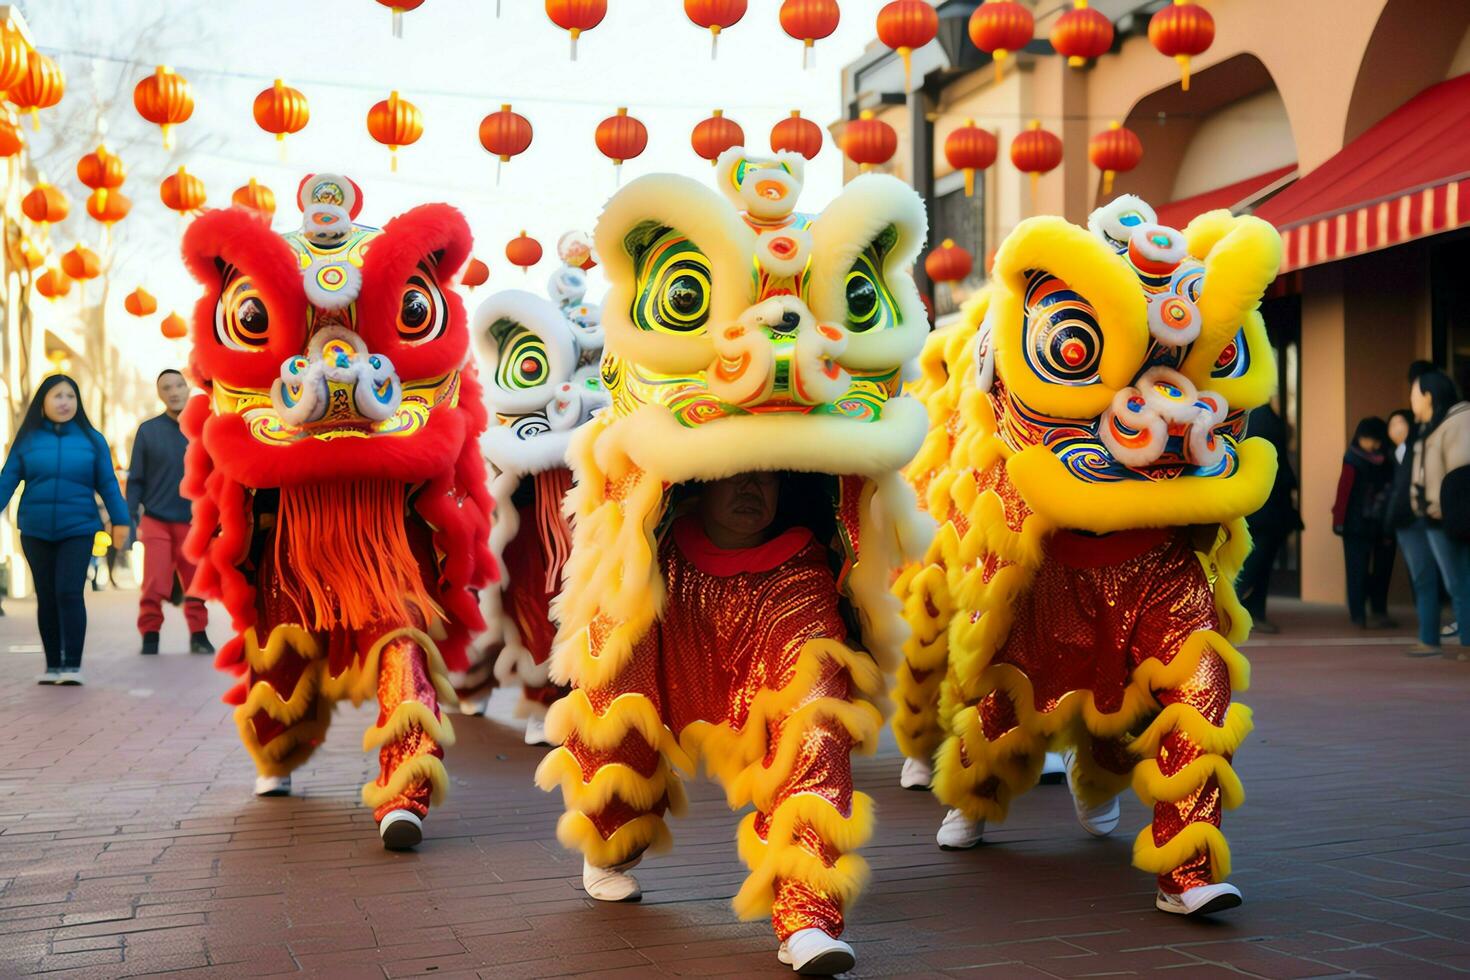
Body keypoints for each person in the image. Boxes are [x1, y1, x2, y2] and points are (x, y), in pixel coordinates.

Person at [0, 374, 131, 685]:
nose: (64, 402)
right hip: (35, 528)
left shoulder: (92, 439)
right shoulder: (28, 439)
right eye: (57, 396)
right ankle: (53, 665)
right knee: (46, 595)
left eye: (70, 396)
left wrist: (121, 521)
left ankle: (72, 664)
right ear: (43, 401)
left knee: (69, 592)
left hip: (79, 527)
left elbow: (108, 484)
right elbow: (7, 480)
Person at [127, 369, 212, 656]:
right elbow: (136, 479)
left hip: (194, 521)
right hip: (156, 520)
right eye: (166, 387)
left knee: (196, 584)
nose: (174, 391)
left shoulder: (204, 427)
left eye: (178, 385)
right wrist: (128, 519)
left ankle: (199, 635)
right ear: (160, 394)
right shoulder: (148, 430)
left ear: (186, 388)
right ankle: (150, 635)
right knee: (155, 583)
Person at [1407, 369, 1470, 659]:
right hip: (1432, 516)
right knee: (1449, 581)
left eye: (1414, 393)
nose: (1411, 400)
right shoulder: (1432, 426)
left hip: (1449, 517)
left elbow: (1460, 476)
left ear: (1429, 396)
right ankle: (1433, 639)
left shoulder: (1458, 422)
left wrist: (1440, 508)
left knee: (1459, 581)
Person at [1236, 402, 1301, 634]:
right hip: (1267, 508)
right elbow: (1276, 462)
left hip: (1260, 506)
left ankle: (1254, 611)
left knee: (1259, 562)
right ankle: (1235, 608)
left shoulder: (1252, 417)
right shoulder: (1263, 419)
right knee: (1257, 561)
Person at [1332, 417, 1396, 628]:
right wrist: (1339, 521)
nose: (1372, 444)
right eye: (1367, 439)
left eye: (1375, 440)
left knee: (1382, 571)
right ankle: (1358, 615)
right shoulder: (1352, 458)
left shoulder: (1388, 459)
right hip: (1355, 525)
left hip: (1382, 523)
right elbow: (1344, 491)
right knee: (1356, 571)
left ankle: (1379, 611)